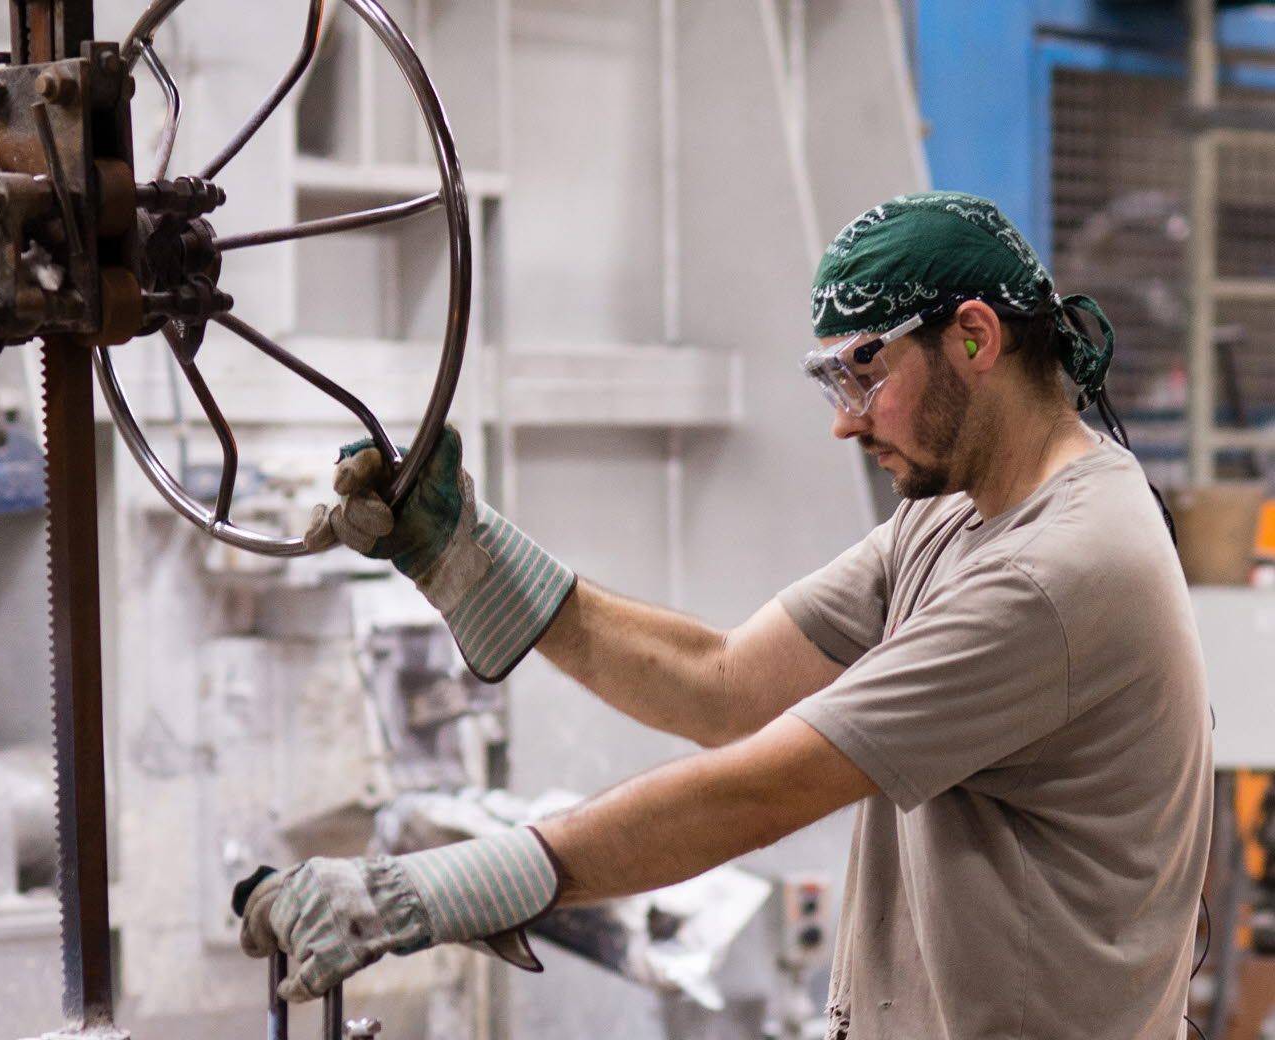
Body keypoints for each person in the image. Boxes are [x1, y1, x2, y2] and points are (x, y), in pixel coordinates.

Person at [234, 192, 1213, 1039]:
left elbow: (760, 789)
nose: (844, 418)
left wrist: (427, 890)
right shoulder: (956, 515)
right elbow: (724, 684)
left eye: (864, 372)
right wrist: (467, 556)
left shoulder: (1056, 571)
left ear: (973, 337)